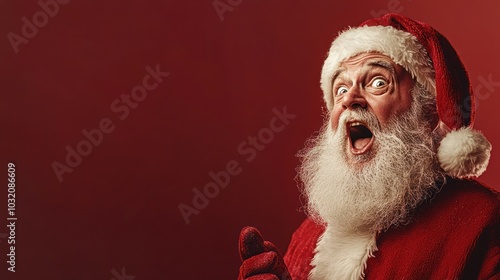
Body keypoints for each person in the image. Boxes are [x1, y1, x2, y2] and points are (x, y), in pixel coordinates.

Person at [237, 14, 499, 280]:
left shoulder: (484, 221)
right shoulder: (308, 235)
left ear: (428, 111)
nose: (350, 99)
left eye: (378, 83)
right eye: (340, 89)